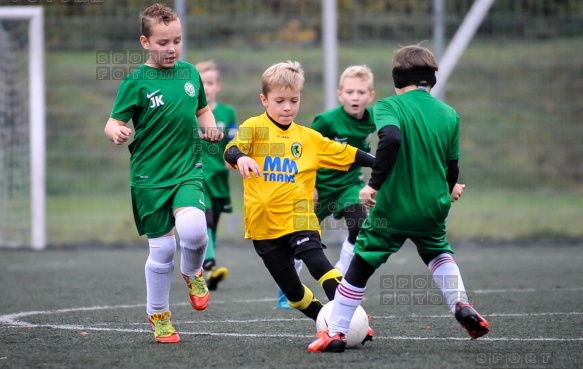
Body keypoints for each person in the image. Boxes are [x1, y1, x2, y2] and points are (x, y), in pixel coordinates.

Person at [308, 44, 489, 353]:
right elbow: (452, 164)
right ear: (431, 80)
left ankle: (336, 331)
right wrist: (450, 187)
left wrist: (374, 185)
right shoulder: (449, 114)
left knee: (361, 263)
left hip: (392, 208)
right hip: (433, 207)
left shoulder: (388, 106)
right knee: (437, 252)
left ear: (396, 80)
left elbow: (390, 138)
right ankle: (460, 304)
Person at [224, 60, 375, 336]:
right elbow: (231, 149)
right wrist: (242, 156)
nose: (287, 108)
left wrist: (382, 163)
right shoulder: (253, 128)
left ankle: (349, 319)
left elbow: (348, 153)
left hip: (299, 216)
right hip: (263, 226)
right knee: (293, 293)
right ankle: (325, 319)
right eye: (279, 101)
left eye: (293, 101)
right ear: (264, 99)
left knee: (318, 263)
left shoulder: (308, 138)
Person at [104, 3, 223, 344]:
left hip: (186, 170)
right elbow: (113, 122)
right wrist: (116, 132)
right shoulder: (135, 82)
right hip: (149, 179)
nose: (171, 49)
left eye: (177, 41)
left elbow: (203, 110)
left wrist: (211, 129)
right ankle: (159, 314)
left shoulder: (190, 74)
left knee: (195, 229)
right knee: (162, 252)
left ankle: (193, 272)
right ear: (145, 42)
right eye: (162, 42)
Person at [274, 65, 376, 309]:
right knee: (300, 238)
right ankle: (288, 291)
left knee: (361, 226)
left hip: (349, 185)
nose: (355, 97)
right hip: (317, 184)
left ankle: (342, 277)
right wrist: (309, 185)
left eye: (361, 92)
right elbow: (304, 151)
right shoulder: (327, 120)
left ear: (371, 96)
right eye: (350, 92)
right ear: (340, 94)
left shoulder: (376, 118)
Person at [195, 60, 237, 291]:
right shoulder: (189, 111)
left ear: (218, 85)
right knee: (205, 220)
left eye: (210, 83)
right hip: (196, 174)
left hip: (219, 178)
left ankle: (206, 272)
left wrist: (233, 158)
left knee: (213, 225)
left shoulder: (227, 112)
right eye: (202, 83)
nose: (207, 87)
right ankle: (209, 264)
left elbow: (233, 143)